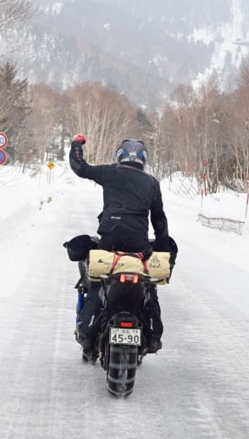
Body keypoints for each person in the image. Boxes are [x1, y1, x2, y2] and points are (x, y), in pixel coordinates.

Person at [69, 134, 169, 361]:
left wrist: (77, 143)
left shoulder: (110, 172)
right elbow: (159, 220)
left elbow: (79, 167)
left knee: (96, 284)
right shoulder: (152, 183)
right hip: (139, 247)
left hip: (109, 244)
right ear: (144, 160)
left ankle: (88, 336)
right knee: (148, 289)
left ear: (120, 156)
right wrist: (163, 248)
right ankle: (152, 335)